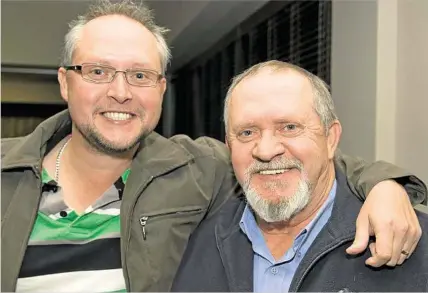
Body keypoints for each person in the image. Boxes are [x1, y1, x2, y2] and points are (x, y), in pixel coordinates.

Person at [0, 1, 426, 292]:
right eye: (97, 71)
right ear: (64, 81)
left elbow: (300, 162)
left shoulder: (195, 169)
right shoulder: (8, 175)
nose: (120, 92)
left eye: (140, 75)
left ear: (162, 88)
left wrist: (386, 186)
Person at [171, 61, 428, 292]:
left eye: (289, 127)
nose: (266, 150)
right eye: (247, 133)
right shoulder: (202, 242)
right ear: (228, 145)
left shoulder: (410, 239)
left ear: (330, 138)